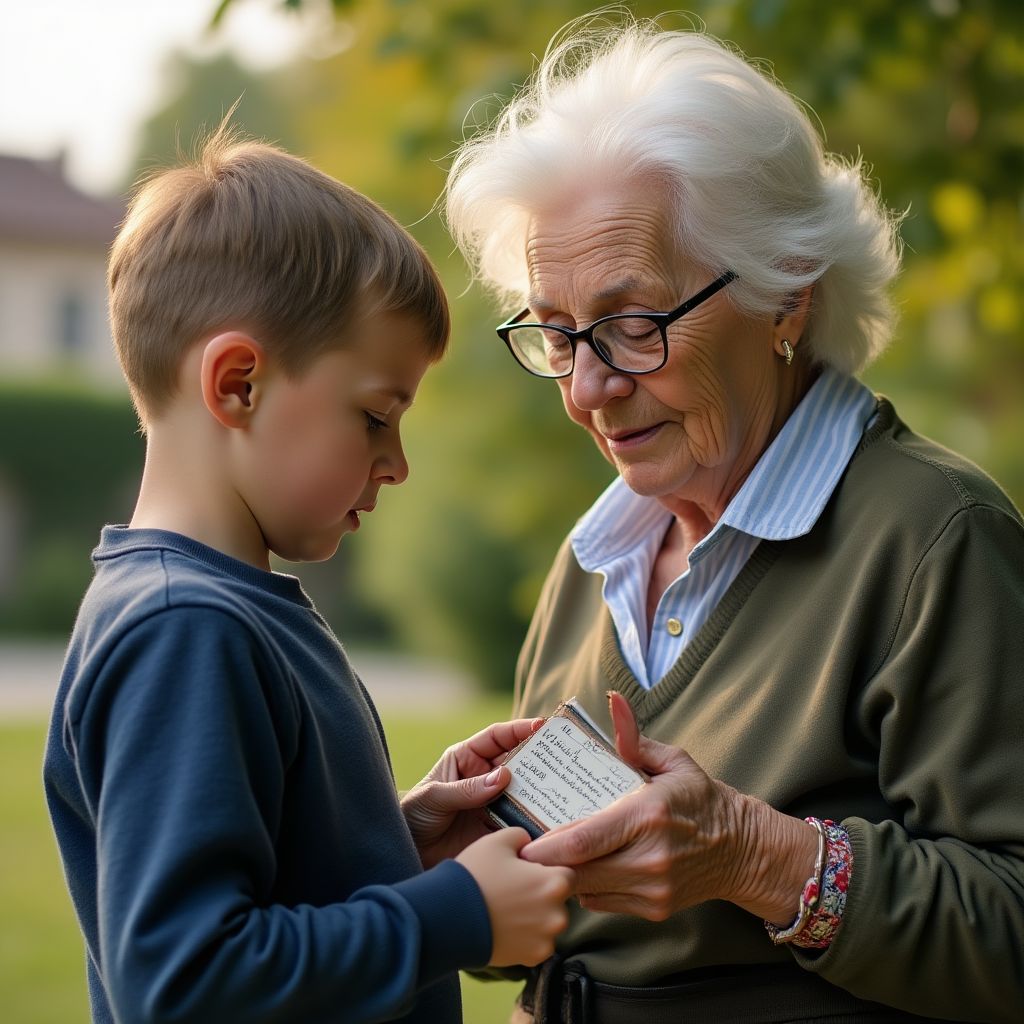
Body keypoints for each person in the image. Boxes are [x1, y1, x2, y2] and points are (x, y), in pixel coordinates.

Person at [445, 14, 1024, 1024]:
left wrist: (760, 858)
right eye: (554, 331)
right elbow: (563, 928)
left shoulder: (933, 538)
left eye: (632, 325)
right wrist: (463, 858)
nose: (585, 389)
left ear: (785, 296)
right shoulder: (595, 560)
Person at [42, 126, 574, 1024]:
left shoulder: (219, 609)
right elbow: (183, 982)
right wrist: (453, 915)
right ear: (238, 384)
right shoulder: (185, 630)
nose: (397, 462)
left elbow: (261, 887)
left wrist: (396, 843)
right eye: (374, 417)